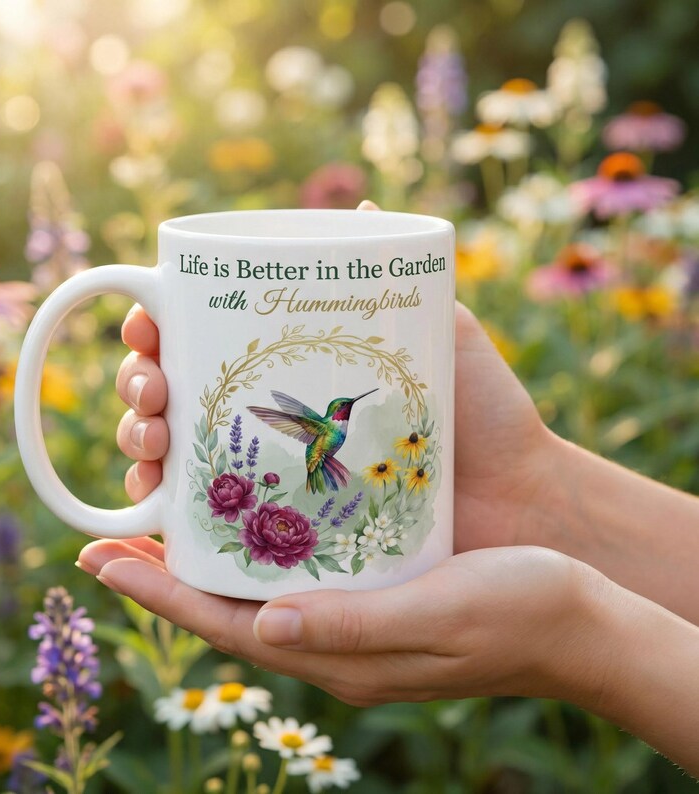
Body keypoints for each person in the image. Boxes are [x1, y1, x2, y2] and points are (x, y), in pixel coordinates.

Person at [76, 203, 699, 775]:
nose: (350, 410)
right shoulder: (324, 425)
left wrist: (583, 632)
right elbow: (300, 420)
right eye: (346, 407)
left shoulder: (342, 423)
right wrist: (536, 495)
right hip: (326, 457)